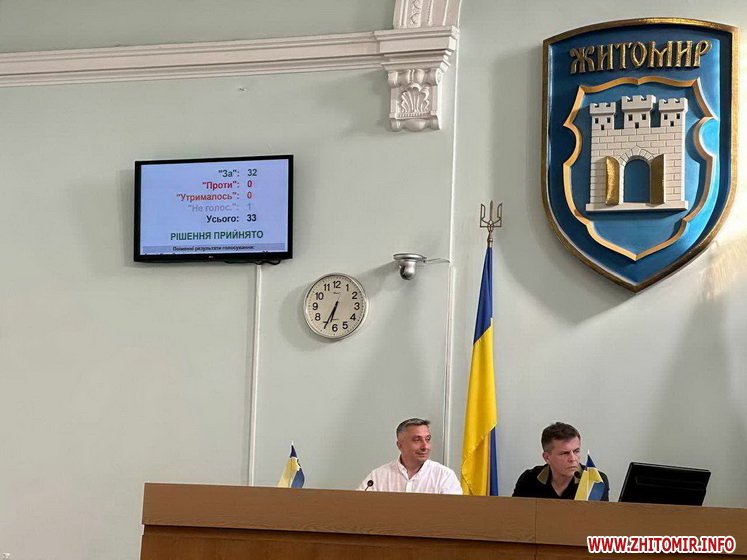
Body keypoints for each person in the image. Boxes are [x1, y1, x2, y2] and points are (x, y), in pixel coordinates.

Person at [357, 418, 462, 494]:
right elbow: (358, 508)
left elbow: (455, 513)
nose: (425, 446)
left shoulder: (444, 476)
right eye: (417, 440)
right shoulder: (378, 476)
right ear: (400, 445)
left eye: (427, 439)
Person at [512, 422, 609, 500]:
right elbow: (515, 515)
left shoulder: (595, 480)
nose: (573, 459)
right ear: (547, 457)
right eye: (565, 453)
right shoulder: (529, 479)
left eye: (576, 451)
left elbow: (600, 518)